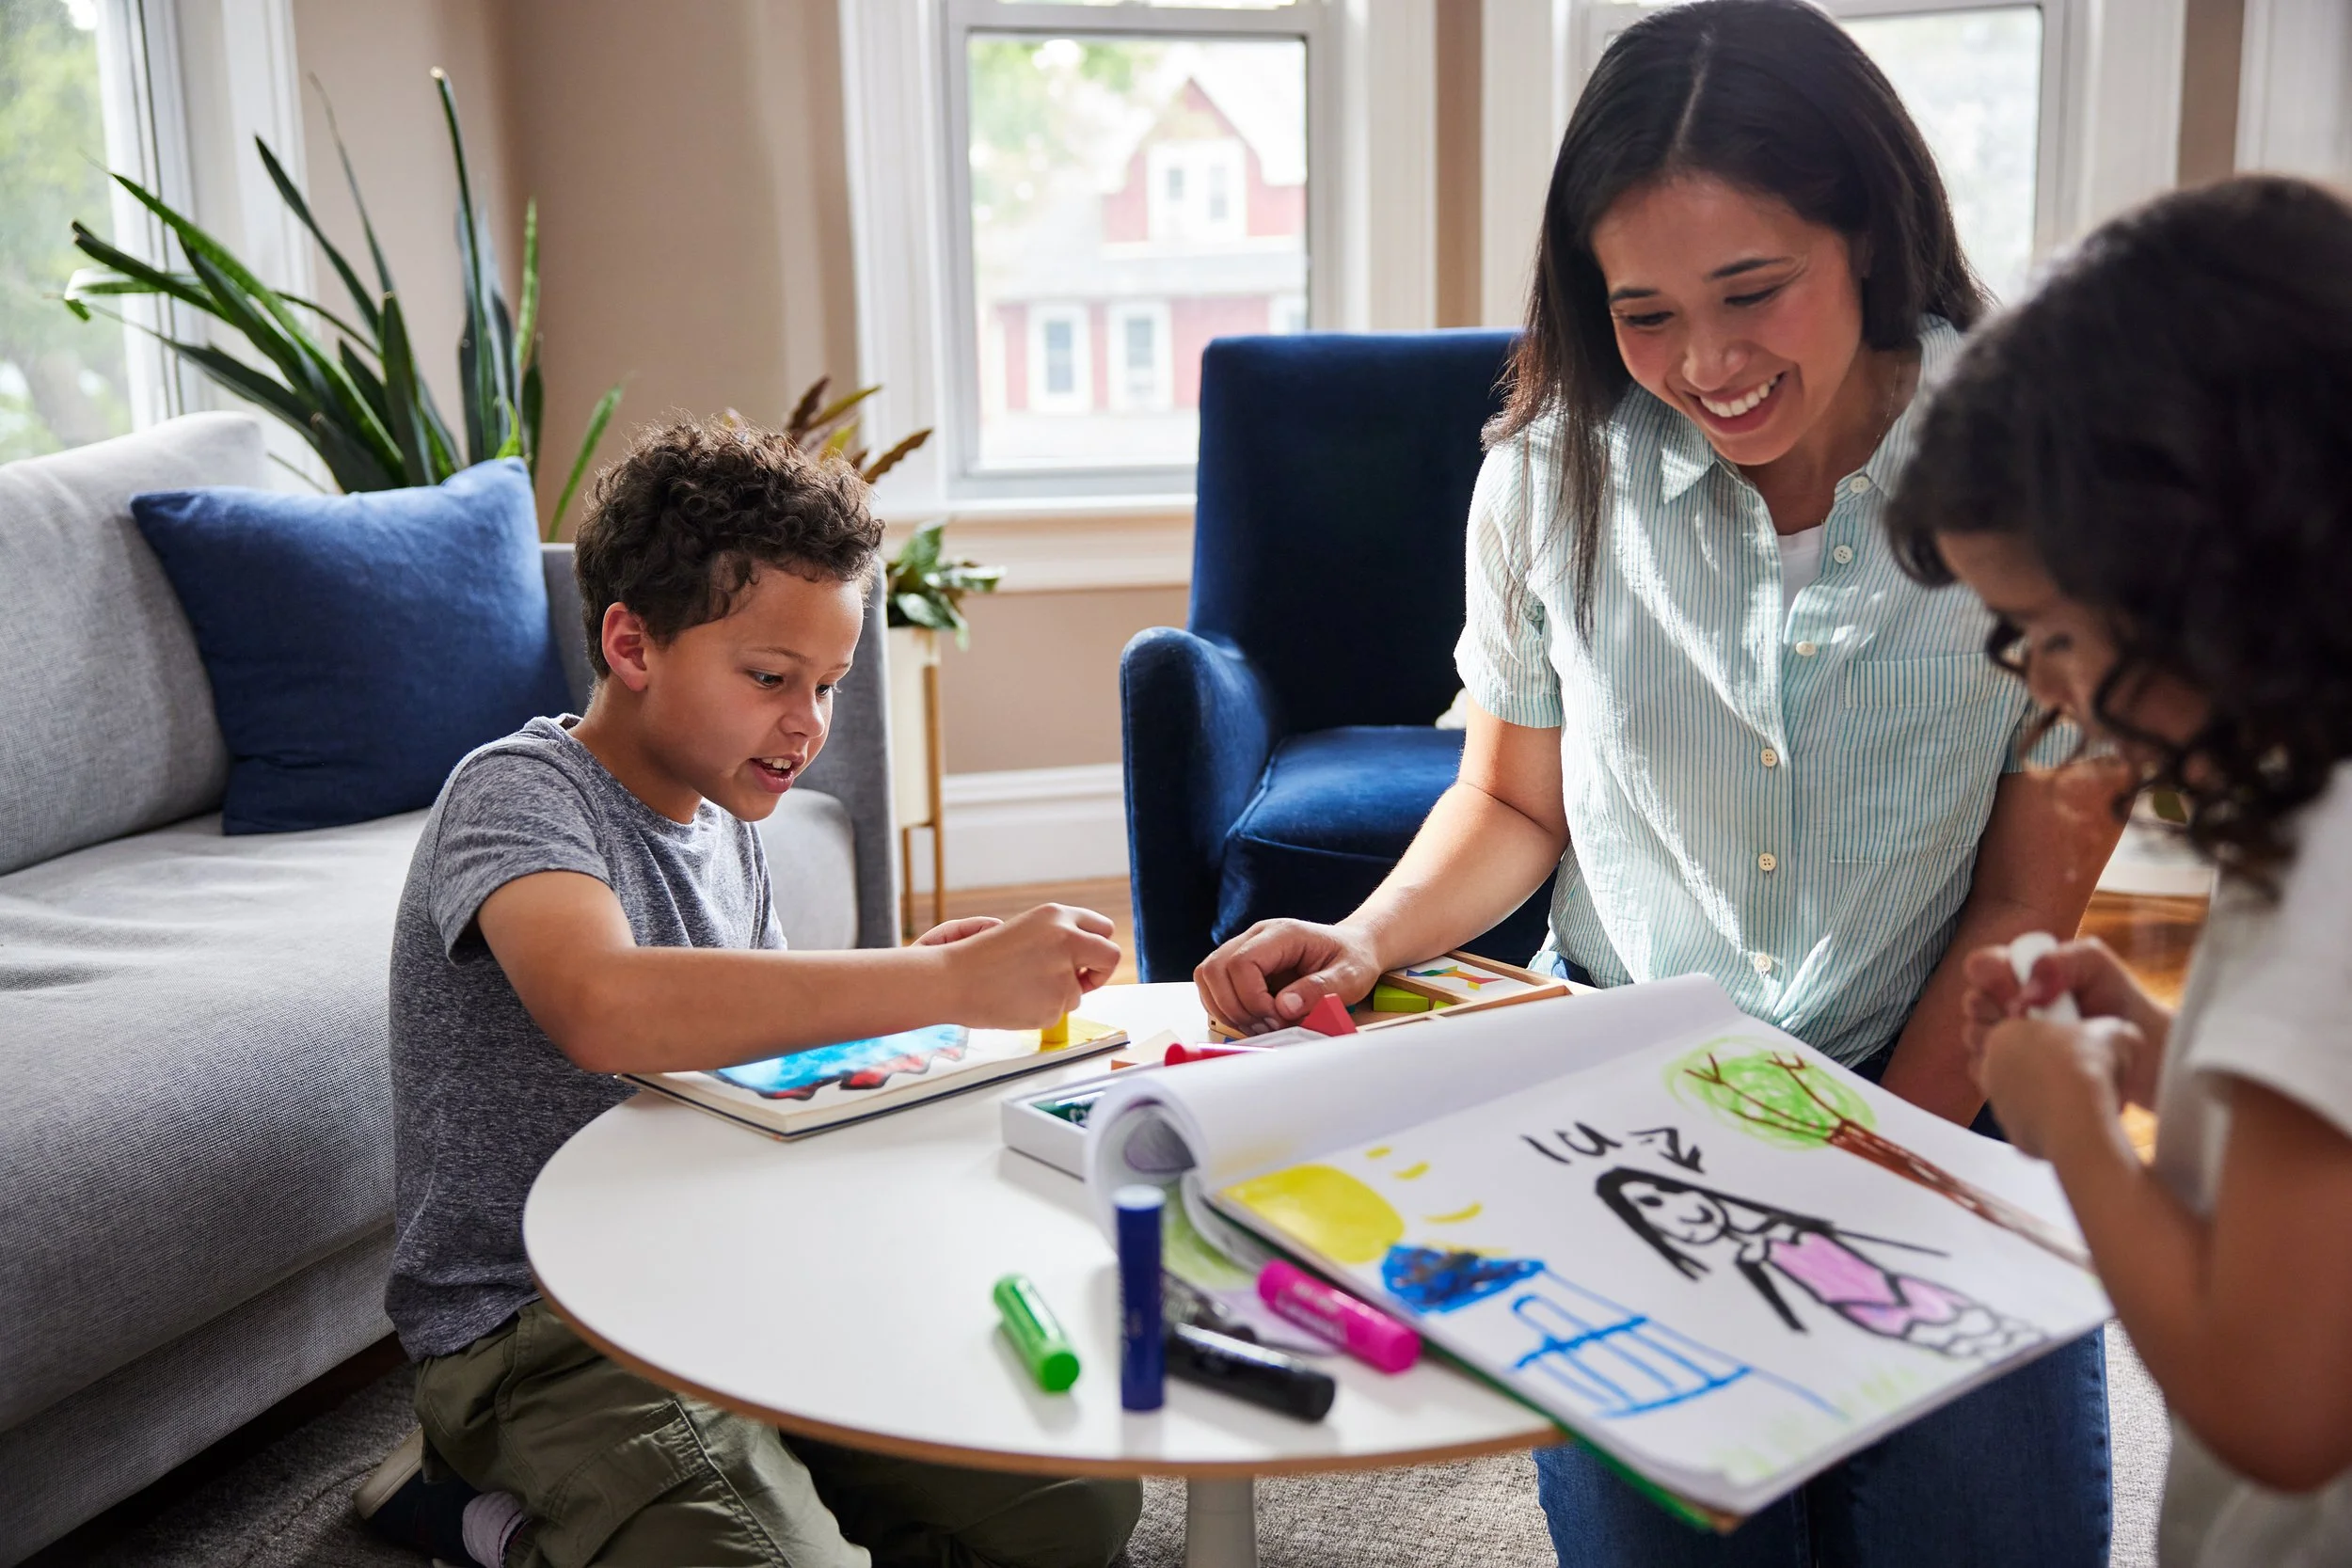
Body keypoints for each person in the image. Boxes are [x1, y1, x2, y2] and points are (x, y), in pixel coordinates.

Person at [1193, 2, 2119, 1561]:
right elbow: (1512, 805)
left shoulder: (2046, 476)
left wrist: (1872, 1169)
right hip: (1624, 1103)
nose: (1707, 363)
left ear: (1870, 237)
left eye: (1754, 290)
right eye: (1644, 312)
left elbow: (2029, 896)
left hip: (1946, 1091)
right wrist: (1368, 941)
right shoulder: (1549, 474)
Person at [358, 420, 1139, 1568]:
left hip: (727, 1269)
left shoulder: (729, 822)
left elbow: (751, 1047)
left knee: (1076, 1509)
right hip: (538, 1324)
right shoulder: (518, 792)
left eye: (825, 684)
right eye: (771, 677)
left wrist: (919, 991)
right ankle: (480, 1507)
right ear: (632, 642)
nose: (808, 722)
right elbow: (603, 1006)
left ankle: (700, 1485)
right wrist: (938, 977)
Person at [1887, 174, 2352, 1568]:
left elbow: (2276, 1406)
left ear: (2215, 570)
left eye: (2053, 632)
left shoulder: (2325, 886)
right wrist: (2154, 1061)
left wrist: (2072, 1131)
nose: (2057, 693)